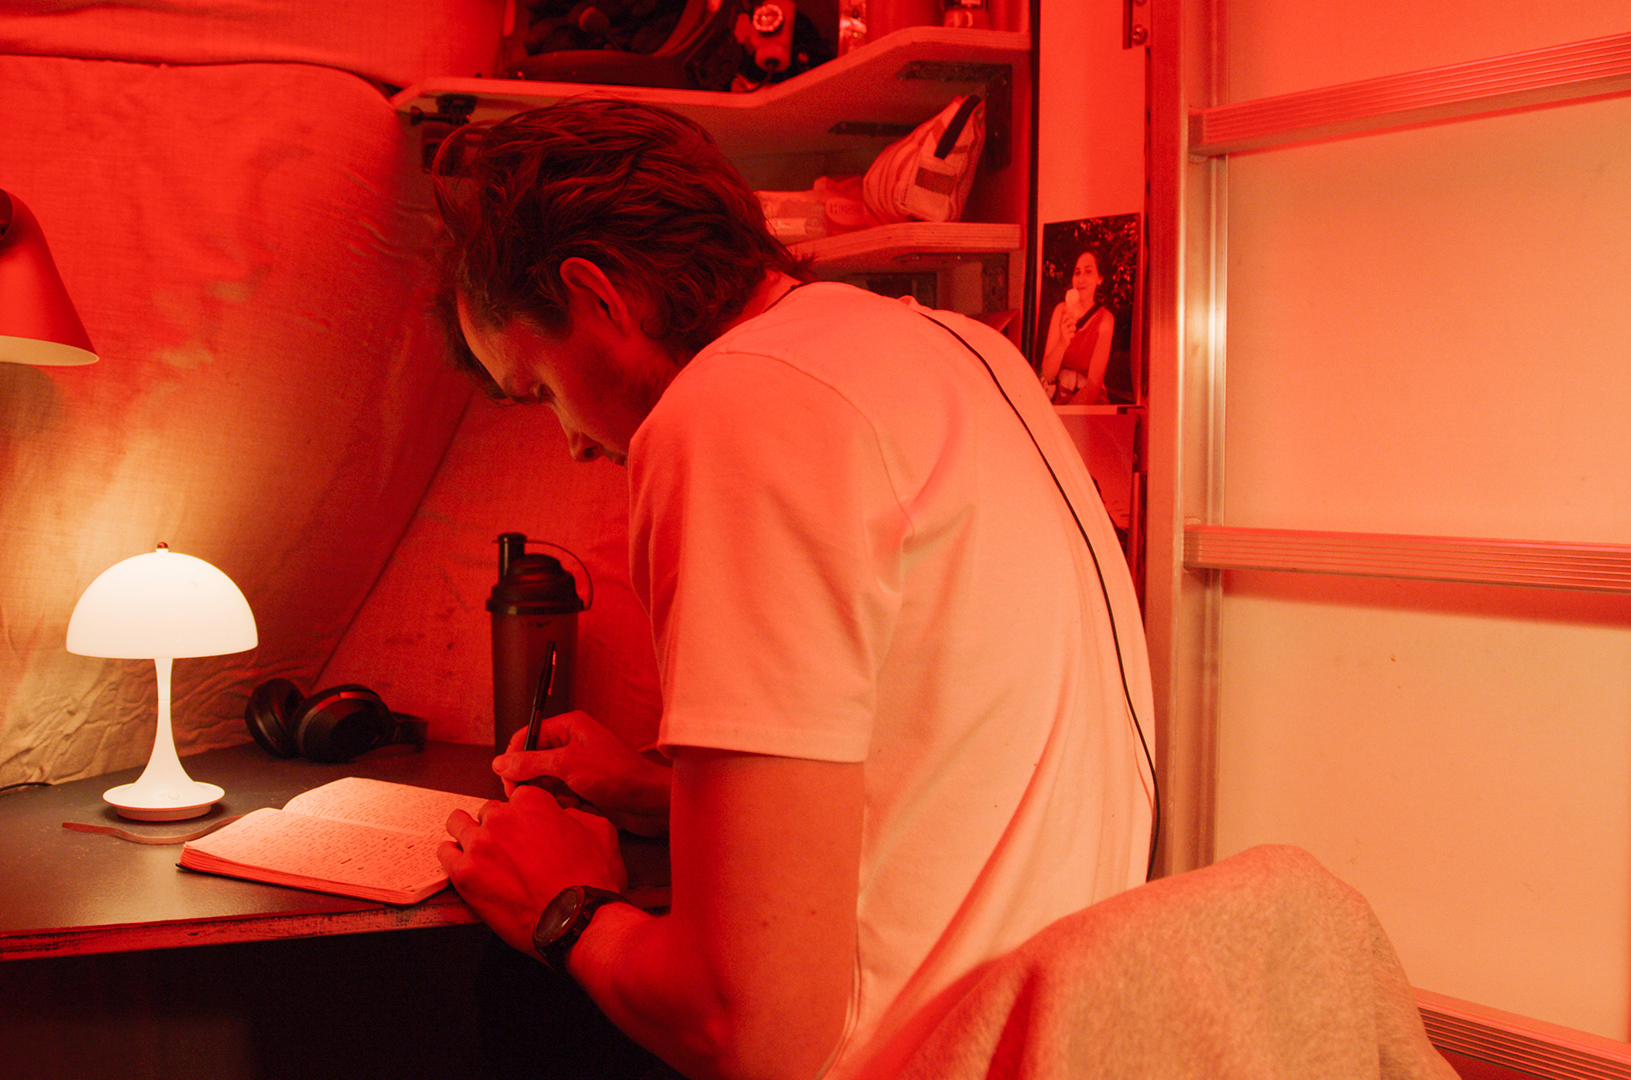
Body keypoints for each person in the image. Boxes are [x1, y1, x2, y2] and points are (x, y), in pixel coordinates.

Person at [431, 98, 1154, 1080]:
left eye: (540, 389)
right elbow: (942, 757)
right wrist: (668, 796)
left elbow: (752, 1033)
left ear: (596, 295)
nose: (564, 439)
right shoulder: (958, 351)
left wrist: (559, 904)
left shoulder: (734, 409)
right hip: (1073, 1033)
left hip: (921, 1058)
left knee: (509, 990)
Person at [1036, 248, 1116, 406]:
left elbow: (1093, 386)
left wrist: (1067, 418)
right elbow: (1047, 373)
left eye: (1088, 272)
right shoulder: (1061, 311)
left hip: (1088, 403)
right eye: (1077, 272)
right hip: (1058, 395)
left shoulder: (1105, 319)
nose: (1081, 279)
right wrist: (1062, 343)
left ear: (1099, 279)